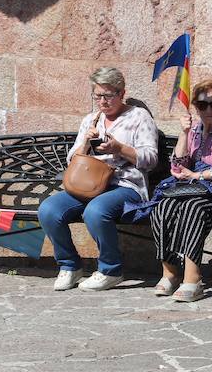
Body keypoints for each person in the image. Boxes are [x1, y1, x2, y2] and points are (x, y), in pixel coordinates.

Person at [37, 67, 158, 292]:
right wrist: (85, 142)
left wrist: (119, 148)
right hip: (89, 185)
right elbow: (72, 159)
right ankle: (69, 266)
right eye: (98, 96)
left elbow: (151, 159)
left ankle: (110, 271)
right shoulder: (91, 120)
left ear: (121, 93)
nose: (103, 101)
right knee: (49, 209)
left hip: (125, 185)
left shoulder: (139, 117)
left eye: (108, 95)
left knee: (95, 211)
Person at [150, 79, 212, 302]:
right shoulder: (194, 129)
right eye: (202, 105)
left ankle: (193, 279)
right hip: (191, 187)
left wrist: (197, 175)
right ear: (195, 107)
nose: (209, 110)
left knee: (193, 208)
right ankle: (170, 273)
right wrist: (184, 134)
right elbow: (176, 167)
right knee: (162, 207)